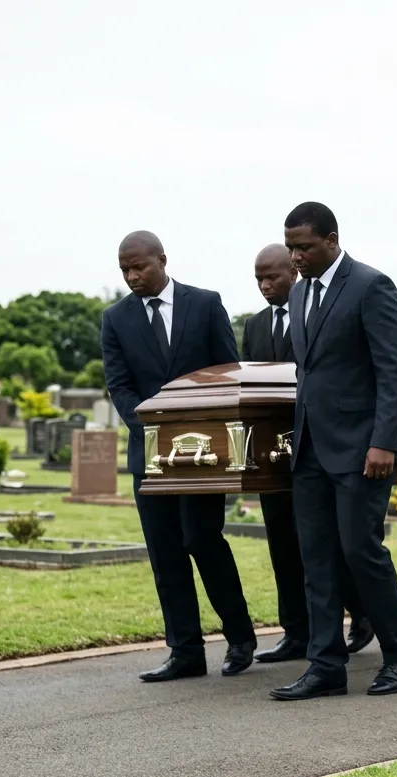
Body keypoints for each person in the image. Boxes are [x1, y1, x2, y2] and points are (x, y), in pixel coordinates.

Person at [270, 202, 397, 701]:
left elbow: (394, 371)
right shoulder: (298, 293)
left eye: (305, 247)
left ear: (332, 239)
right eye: (291, 247)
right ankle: (325, 664)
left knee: (360, 550)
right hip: (309, 448)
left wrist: (384, 442)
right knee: (317, 559)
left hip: (361, 449)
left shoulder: (370, 286)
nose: (296, 256)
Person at [101, 230, 256, 682]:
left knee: (202, 541)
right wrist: (154, 431)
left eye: (139, 267)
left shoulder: (205, 304)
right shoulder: (115, 318)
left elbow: (229, 374)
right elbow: (120, 385)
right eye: (124, 270)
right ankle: (184, 652)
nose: (132, 276)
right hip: (148, 455)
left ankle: (241, 636)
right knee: (165, 553)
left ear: (162, 260)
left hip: (203, 454)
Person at [243, 244, 372, 664]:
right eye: (259, 279)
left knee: (333, 543)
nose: (265, 286)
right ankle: (296, 632)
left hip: (321, 444)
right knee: (283, 544)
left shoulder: (319, 310)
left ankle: (361, 614)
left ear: (293, 273)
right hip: (275, 454)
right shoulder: (255, 325)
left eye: (273, 277)